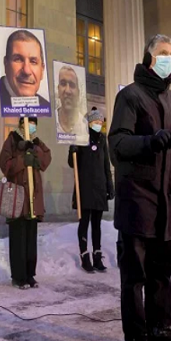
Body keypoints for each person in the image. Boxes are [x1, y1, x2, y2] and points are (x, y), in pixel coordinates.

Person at [108, 34, 171, 341]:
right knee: (135, 277)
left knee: (162, 276)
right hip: (138, 202)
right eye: (163, 53)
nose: (169, 59)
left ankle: (161, 332)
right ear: (149, 58)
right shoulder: (129, 96)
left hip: (167, 205)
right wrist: (148, 141)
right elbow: (117, 143)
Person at [0, 117, 51, 289]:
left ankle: (30, 274)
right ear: (21, 125)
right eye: (28, 124)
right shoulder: (12, 140)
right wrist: (22, 159)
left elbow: (46, 159)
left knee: (30, 238)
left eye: (34, 124)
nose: (31, 127)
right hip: (17, 198)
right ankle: (18, 276)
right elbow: (4, 164)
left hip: (33, 198)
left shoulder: (36, 141)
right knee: (18, 237)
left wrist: (34, 150)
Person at [68, 107, 113, 273]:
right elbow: (72, 163)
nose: (98, 124)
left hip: (99, 188)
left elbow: (106, 165)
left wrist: (110, 186)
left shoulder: (102, 140)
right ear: (89, 123)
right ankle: (84, 256)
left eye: (100, 122)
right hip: (85, 188)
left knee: (97, 225)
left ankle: (97, 256)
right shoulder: (81, 139)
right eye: (96, 122)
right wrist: (72, 150)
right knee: (84, 222)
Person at [0, 30, 49, 108]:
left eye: (33, 62)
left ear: (42, 70)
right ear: (6, 64)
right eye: (18, 59)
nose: (26, 71)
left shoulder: (46, 106)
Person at [56, 65, 88, 140]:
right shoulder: (50, 123)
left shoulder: (85, 127)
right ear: (58, 90)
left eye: (72, 85)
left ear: (78, 93)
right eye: (63, 84)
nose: (67, 91)